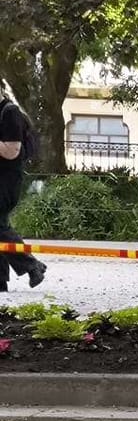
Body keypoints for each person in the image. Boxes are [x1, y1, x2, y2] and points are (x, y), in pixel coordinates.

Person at [0, 91, 45, 289]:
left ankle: (32, 265)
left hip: (7, 182)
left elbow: (11, 151)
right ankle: (1, 281)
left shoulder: (10, 113)